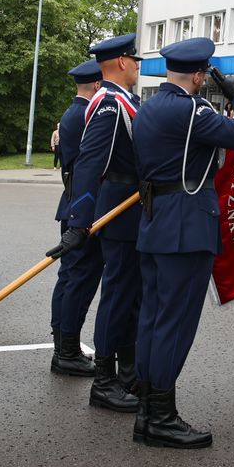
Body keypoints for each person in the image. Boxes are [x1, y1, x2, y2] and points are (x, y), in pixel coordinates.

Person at [128, 37, 234, 448]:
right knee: (175, 323)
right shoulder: (191, 110)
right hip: (186, 226)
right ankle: (161, 419)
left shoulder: (148, 108)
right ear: (200, 76)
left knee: (152, 319)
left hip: (155, 222)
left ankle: (147, 412)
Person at [71, 33, 146, 412]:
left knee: (131, 297)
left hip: (134, 211)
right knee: (117, 297)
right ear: (121, 62)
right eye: (135, 59)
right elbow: (89, 163)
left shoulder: (125, 101)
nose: (138, 65)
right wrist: (79, 220)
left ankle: (127, 373)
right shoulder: (109, 104)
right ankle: (104, 381)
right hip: (118, 213)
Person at [49, 59, 103, 377]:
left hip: (72, 202)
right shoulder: (86, 114)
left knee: (70, 276)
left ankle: (62, 345)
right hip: (83, 205)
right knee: (80, 278)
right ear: (97, 85)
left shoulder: (73, 113)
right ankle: (66, 351)